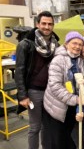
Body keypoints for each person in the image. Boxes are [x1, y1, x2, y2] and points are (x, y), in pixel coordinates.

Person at [15, 11, 59, 149]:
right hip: (34, 91)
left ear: (53, 25)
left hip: (51, 91)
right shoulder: (26, 44)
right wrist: (22, 95)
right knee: (35, 127)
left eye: (50, 24)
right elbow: (19, 70)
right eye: (44, 23)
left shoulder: (56, 44)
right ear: (37, 24)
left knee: (47, 127)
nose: (47, 27)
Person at [42, 31, 84, 149]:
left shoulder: (79, 59)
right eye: (74, 43)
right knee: (58, 139)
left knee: (66, 135)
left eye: (80, 44)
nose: (77, 47)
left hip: (71, 105)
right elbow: (55, 86)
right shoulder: (58, 60)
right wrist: (75, 99)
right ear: (66, 44)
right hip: (57, 106)